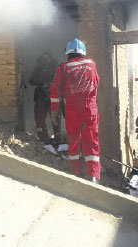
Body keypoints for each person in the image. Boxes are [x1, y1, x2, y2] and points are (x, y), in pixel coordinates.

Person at [50, 38, 101, 183]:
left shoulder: (63, 68)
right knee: (92, 141)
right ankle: (93, 177)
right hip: (90, 109)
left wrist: (55, 112)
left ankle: (76, 174)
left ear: (68, 52)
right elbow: (96, 83)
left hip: (72, 110)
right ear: (83, 52)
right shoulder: (92, 64)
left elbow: (55, 93)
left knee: (74, 140)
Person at [28, 52, 59, 144]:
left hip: (54, 95)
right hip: (41, 95)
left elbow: (62, 81)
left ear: (51, 59)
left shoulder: (56, 69)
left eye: (47, 58)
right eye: (44, 59)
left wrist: (52, 83)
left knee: (55, 118)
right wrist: (41, 82)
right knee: (39, 118)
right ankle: (43, 139)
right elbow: (31, 80)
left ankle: (57, 139)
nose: (46, 61)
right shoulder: (38, 69)